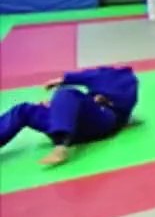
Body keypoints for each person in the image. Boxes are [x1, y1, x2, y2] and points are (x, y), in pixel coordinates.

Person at [0, 66, 140, 166]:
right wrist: (57, 106)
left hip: (99, 121)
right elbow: (84, 78)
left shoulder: (124, 79)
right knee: (24, 110)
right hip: (73, 123)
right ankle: (61, 132)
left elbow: (119, 108)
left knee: (66, 93)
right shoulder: (107, 78)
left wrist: (112, 109)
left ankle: (61, 145)